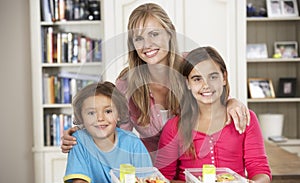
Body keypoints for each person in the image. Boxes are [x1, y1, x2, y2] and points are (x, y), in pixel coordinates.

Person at [61, 3, 250, 161]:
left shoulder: (192, 65)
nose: (147, 45)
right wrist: (80, 135)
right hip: (154, 170)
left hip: (197, 165)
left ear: (169, 34)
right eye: (139, 38)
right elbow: (116, 133)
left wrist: (231, 102)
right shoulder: (126, 84)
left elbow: (214, 96)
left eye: (154, 34)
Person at [154, 47, 271, 183]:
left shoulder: (245, 119)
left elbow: (260, 170)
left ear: (224, 78)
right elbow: (162, 179)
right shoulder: (174, 127)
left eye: (213, 77)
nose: (206, 85)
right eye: (197, 79)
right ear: (187, 83)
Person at [63, 82, 152, 183]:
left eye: (108, 111)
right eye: (91, 113)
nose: (100, 118)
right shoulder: (78, 141)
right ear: (81, 117)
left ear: (119, 114)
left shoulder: (133, 143)